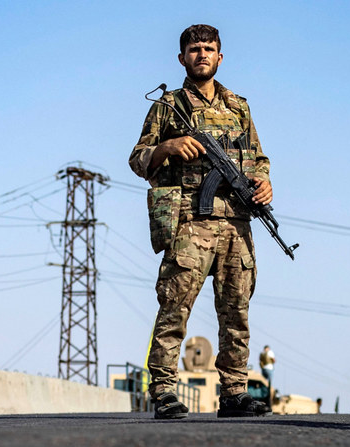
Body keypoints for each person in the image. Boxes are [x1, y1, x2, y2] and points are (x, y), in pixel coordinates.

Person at [129, 24, 273, 419]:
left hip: (237, 224)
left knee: (236, 311)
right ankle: (162, 391)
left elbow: (258, 159)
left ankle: (234, 392)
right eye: (194, 49)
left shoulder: (239, 107)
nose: (202, 55)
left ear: (220, 57)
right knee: (175, 306)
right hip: (190, 221)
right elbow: (138, 159)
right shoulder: (168, 105)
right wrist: (167, 146)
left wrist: (264, 183)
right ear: (182, 58)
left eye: (209, 49)